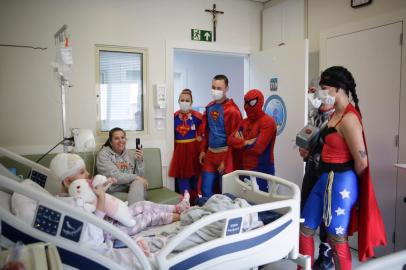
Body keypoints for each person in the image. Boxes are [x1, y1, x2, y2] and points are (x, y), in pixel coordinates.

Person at [299, 66, 387, 270]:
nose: (320, 92)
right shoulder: (335, 114)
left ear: (338, 89)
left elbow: (362, 162)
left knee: (335, 237)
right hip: (324, 177)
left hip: (339, 182)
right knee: (305, 228)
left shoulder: (349, 119)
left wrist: (348, 185)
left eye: (324, 87)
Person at [50, 153, 190, 240]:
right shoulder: (72, 202)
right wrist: (102, 196)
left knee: (142, 205)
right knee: (147, 216)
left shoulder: (127, 156)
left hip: (114, 215)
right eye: (82, 172)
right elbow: (96, 225)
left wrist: (106, 184)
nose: (87, 174)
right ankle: (184, 216)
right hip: (109, 230)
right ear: (68, 181)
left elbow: (137, 174)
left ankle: (178, 207)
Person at [298, 78, 335, 270]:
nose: (322, 93)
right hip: (312, 169)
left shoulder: (338, 116)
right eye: (320, 89)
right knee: (305, 212)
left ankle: (326, 252)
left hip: (328, 172)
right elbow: (309, 136)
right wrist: (305, 150)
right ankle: (305, 258)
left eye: (325, 89)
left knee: (325, 216)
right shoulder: (314, 112)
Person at [199, 74, 243, 197]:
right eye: (213, 87)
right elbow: (206, 132)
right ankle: (208, 215)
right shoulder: (209, 107)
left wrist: (226, 161)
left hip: (225, 154)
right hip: (210, 153)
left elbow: (234, 140)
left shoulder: (232, 111)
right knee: (205, 189)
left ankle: (223, 216)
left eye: (219, 88)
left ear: (226, 89)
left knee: (225, 193)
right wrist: (203, 150)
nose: (215, 91)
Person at [229, 89, 277, 192]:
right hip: (244, 168)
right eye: (246, 102)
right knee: (244, 202)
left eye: (251, 102)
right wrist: (246, 142)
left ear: (259, 101)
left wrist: (241, 142)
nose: (247, 106)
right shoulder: (244, 122)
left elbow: (257, 148)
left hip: (262, 168)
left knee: (261, 204)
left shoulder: (268, 122)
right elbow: (231, 140)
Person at [97, 127, 148, 205]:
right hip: (114, 191)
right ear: (111, 142)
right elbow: (115, 176)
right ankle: (136, 211)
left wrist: (139, 161)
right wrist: (136, 177)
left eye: (123, 137)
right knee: (139, 191)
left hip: (131, 188)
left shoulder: (130, 154)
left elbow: (140, 176)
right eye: (116, 138)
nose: (121, 141)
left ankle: (135, 211)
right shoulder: (103, 155)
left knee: (138, 183)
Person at [168, 89, 203, 203]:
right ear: (178, 101)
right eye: (182, 100)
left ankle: (195, 202)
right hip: (180, 152)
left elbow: (204, 132)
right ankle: (184, 203)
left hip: (194, 151)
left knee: (195, 179)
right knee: (182, 180)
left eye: (187, 100)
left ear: (191, 102)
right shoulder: (172, 117)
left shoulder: (198, 117)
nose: (184, 102)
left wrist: (200, 138)